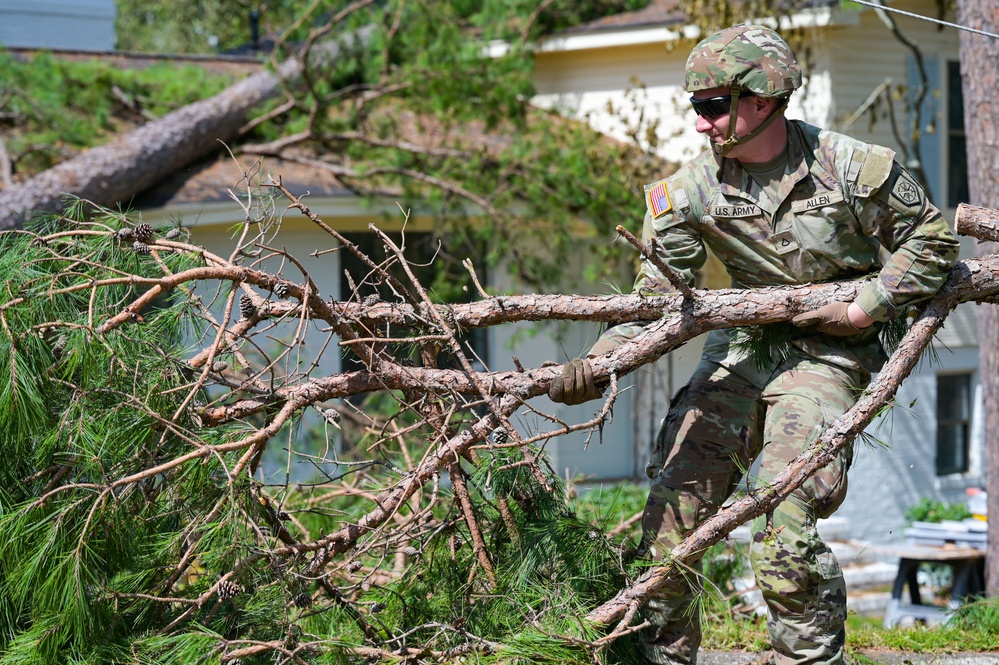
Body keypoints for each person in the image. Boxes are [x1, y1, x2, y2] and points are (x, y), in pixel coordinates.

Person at [548, 24, 959, 665]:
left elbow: (931, 241)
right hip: (740, 351)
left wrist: (865, 307)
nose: (701, 124)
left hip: (829, 354)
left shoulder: (852, 168)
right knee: (669, 517)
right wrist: (602, 363)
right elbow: (657, 302)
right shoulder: (684, 193)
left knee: (785, 521)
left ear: (761, 100)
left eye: (712, 106)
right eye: (697, 108)